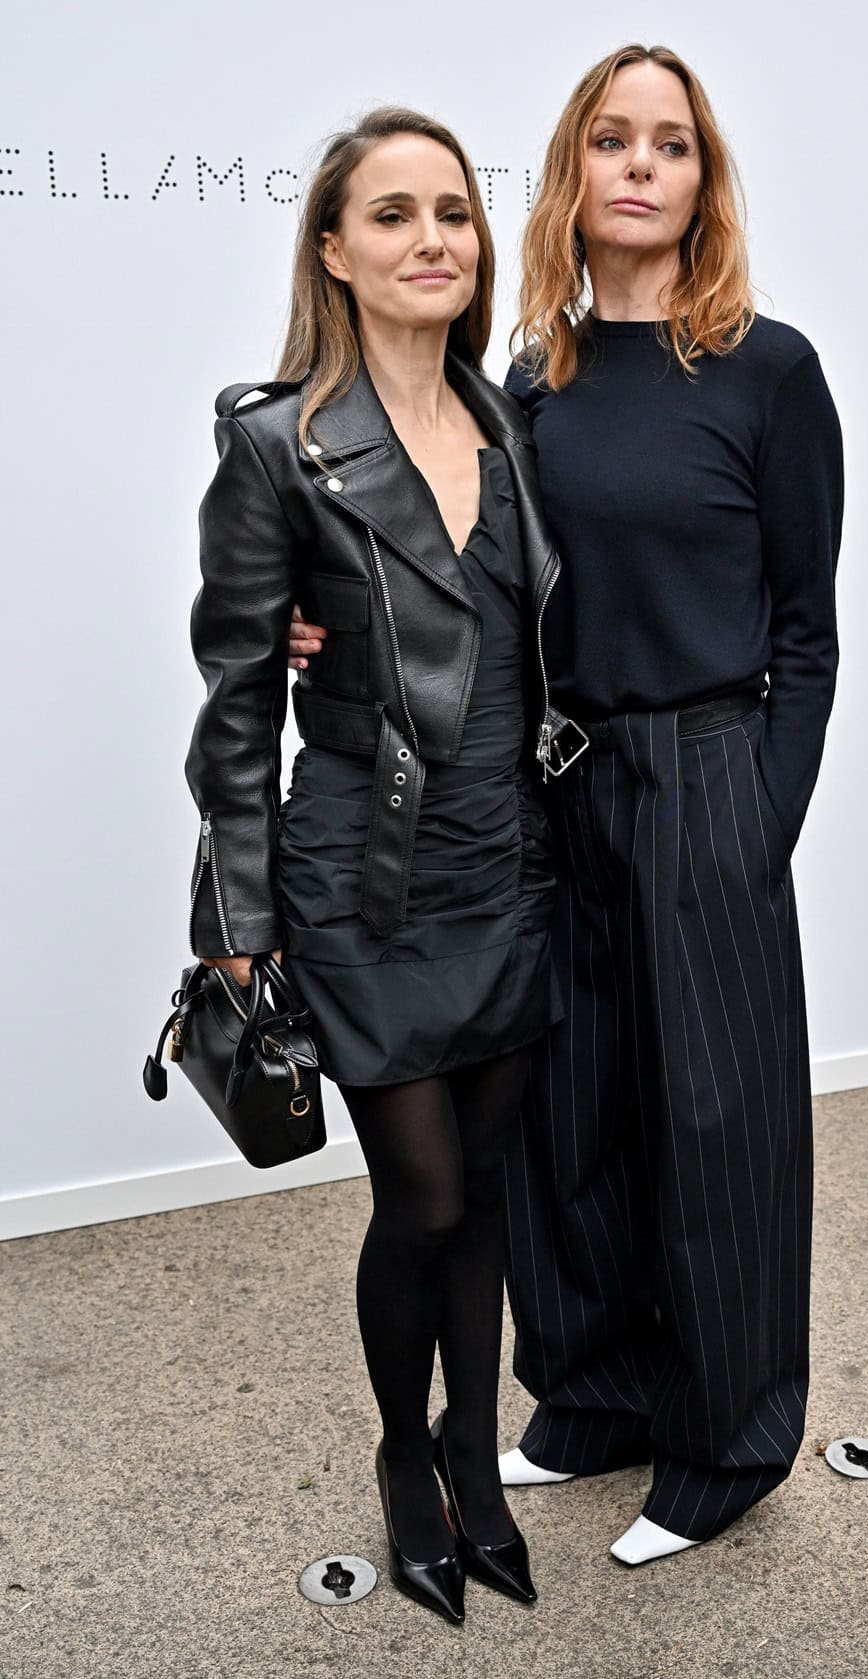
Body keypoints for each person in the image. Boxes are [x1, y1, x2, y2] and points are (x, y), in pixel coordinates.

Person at [290, 43, 843, 1567]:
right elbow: (460, 572)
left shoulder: (770, 371)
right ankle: (593, 1398)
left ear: (702, 179)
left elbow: (809, 624)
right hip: (557, 785)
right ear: (575, 175)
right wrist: (318, 617)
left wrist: (758, 811)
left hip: (707, 779)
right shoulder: (530, 381)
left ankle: (725, 1445)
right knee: (569, 1121)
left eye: (672, 142)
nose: (643, 164)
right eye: (613, 139)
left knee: (720, 1125)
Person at [187, 106, 585, 1623]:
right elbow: (233, 701)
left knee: (482, 1190)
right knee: (417, 1198)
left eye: (454, 215)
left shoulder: (509, 424)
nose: (434, 241)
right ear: (336, 252)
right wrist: (234, 909)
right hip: (365, 875)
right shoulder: (280, 449)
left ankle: (475, 1462)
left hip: (508, 865)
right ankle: (405, 1464)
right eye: (396, 216)